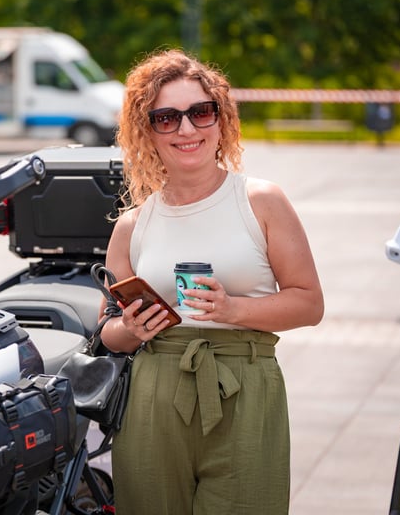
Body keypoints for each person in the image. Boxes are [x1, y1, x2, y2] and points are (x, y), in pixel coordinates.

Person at [98, 49, 324, 515]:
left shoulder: (260, 201)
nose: (186, 129)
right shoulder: (131, 225)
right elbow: (108, 331)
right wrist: (132, 330)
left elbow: (309, 304)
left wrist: (233, 310)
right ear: (148, 131)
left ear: (220, 120)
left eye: (200, 112)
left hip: (245, 385)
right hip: (154, 391)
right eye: (167, 118)